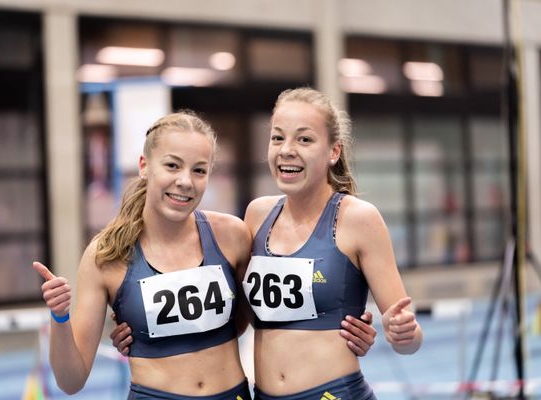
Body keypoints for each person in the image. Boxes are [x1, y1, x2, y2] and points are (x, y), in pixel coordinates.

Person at [33, 111, 255, 399]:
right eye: (172, 166)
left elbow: (245, 320)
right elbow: (71, 381)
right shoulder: (107, 255)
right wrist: (60, 317)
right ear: (144, 166)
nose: (186, 181)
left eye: (199, 170)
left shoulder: (232, 236)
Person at [243, 87, 422, 400]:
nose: (286, 149)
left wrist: (402, 333)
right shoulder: (257, 215)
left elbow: (409, 340)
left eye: (304, 139)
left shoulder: (358, 219)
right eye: (277, 137)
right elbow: (237, 315)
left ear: (333, 152)